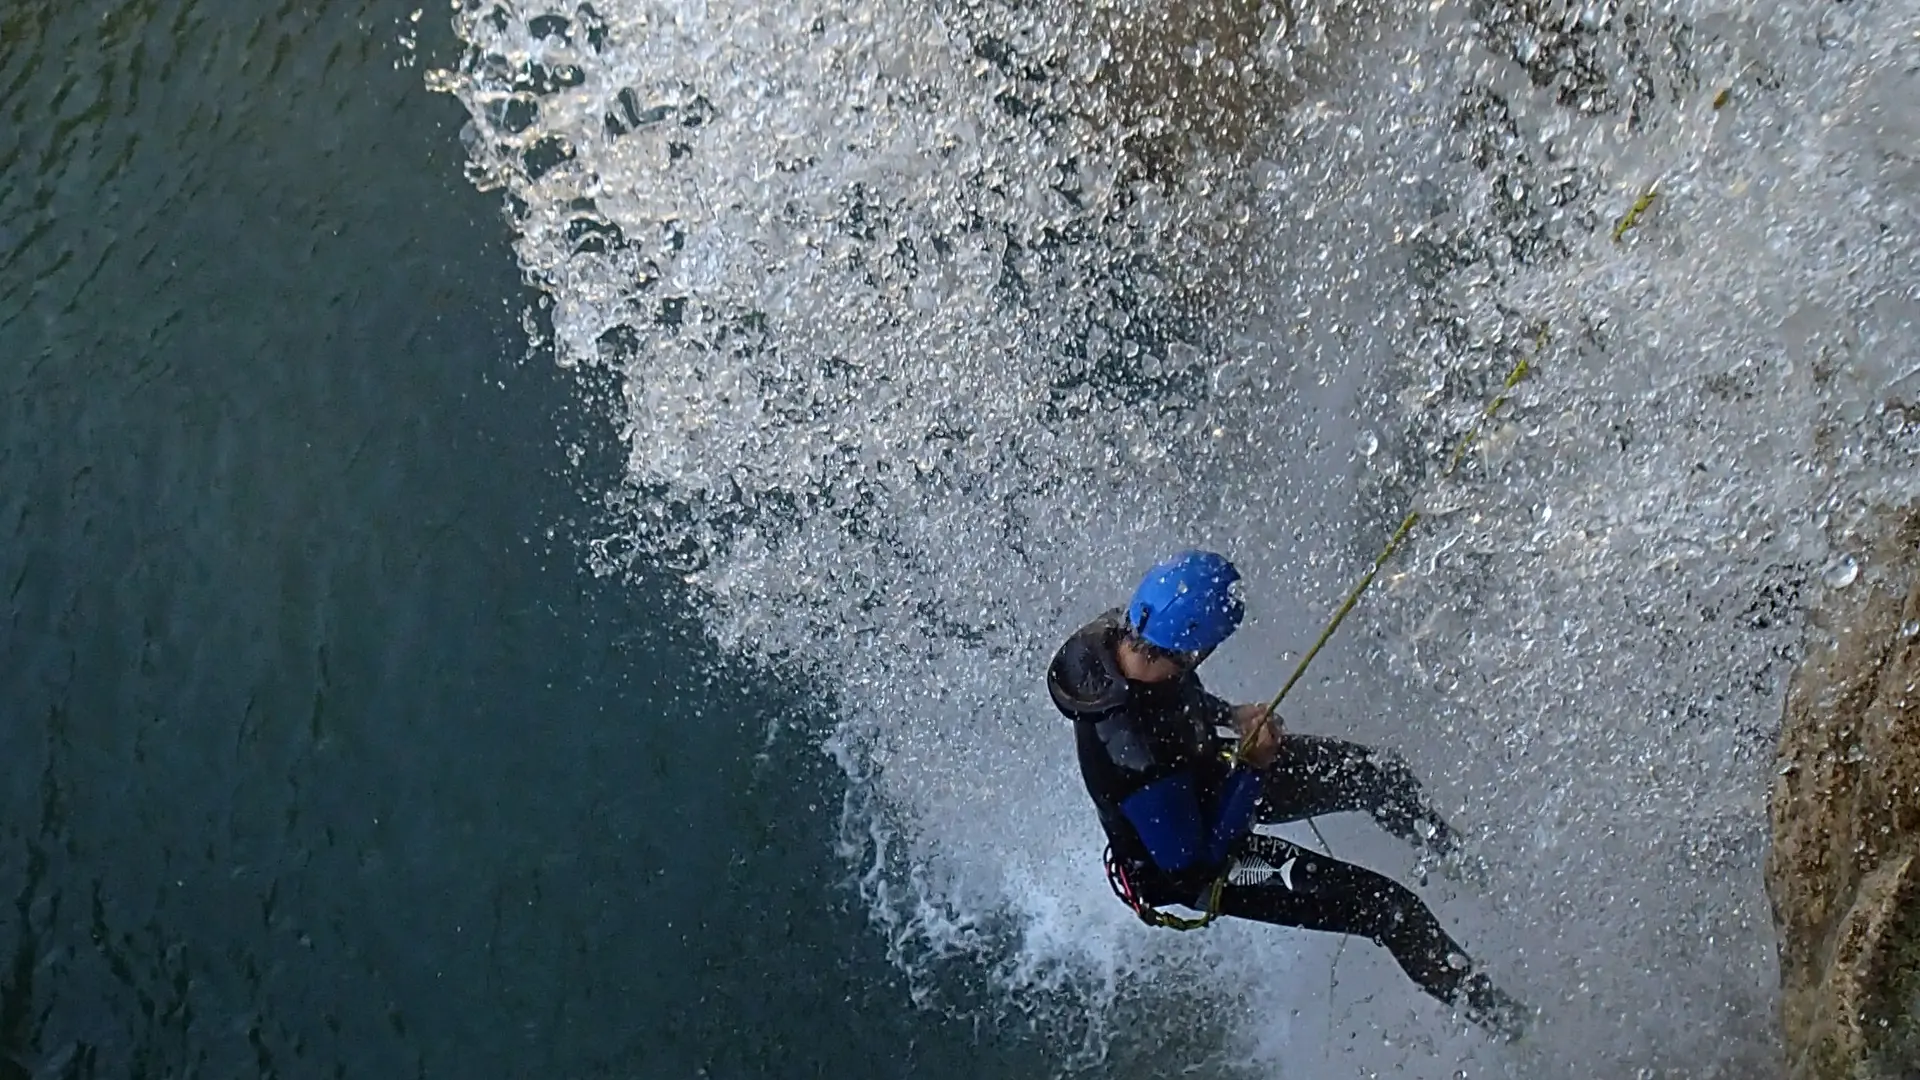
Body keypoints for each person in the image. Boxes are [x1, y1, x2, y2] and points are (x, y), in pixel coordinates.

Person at [1047, 549, 1528, 1041]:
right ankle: (1514, 1026)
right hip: (1195, 856)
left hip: (1206, 777)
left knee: (1378, 775)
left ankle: (1473, 869)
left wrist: (1229, 714)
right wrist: (1253, 770)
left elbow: (1174, 696)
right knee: (1390, 910)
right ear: (1193, 650)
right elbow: (1198, 862)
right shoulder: (1134, 756)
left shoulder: (1127, 637)